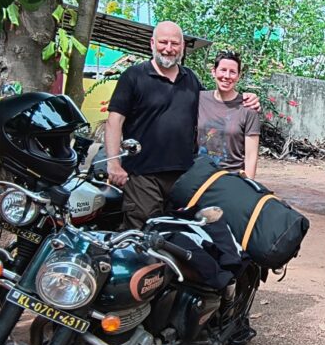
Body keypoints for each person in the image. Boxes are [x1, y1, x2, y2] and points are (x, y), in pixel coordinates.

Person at [104, 21, 257, 229]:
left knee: (180, 234)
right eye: (163, 42)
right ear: (152, 43)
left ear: (182, 46)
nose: (169, 48)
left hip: (184, 177)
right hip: (143, 175)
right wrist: (113, 163)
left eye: (174, 43)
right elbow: (114, 122)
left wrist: (247, 99)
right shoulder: (133, 76)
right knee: (143, 231)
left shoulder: (190, 79)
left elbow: (217, 102)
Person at [197, 51, 260, 178]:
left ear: (238, 76)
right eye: (223, 70)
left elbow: (251, 156)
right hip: (198, 174)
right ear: (214, 72)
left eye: (232, 72)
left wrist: (248, 185)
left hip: (231, 178)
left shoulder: (248, 108)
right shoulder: (199, 99)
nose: (227, 76)